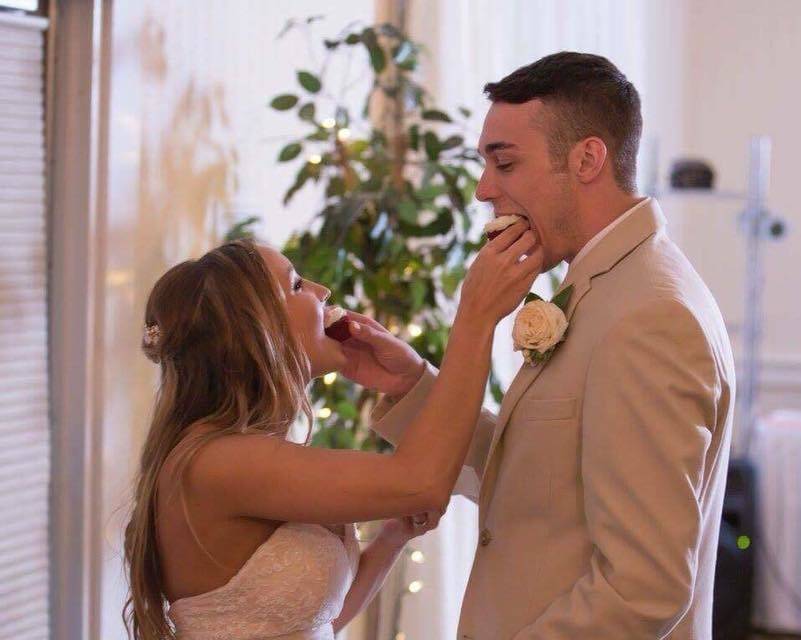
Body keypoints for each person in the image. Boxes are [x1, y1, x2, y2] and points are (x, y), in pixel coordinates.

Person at [343, 52, 736, 639]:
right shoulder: (608, 286)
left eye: (504, 163)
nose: (482, 190)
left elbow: (645, 586)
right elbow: (541, 478)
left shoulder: (650, 316)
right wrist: (413, 386)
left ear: (587, 159)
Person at [122, 229, 542, 640]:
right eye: (296, 284)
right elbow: (422, 481)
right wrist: (476, 317)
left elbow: (319, 620)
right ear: (255, 327)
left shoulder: (241, 451)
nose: (322, 291)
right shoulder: (219, 461)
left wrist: (393, 536)